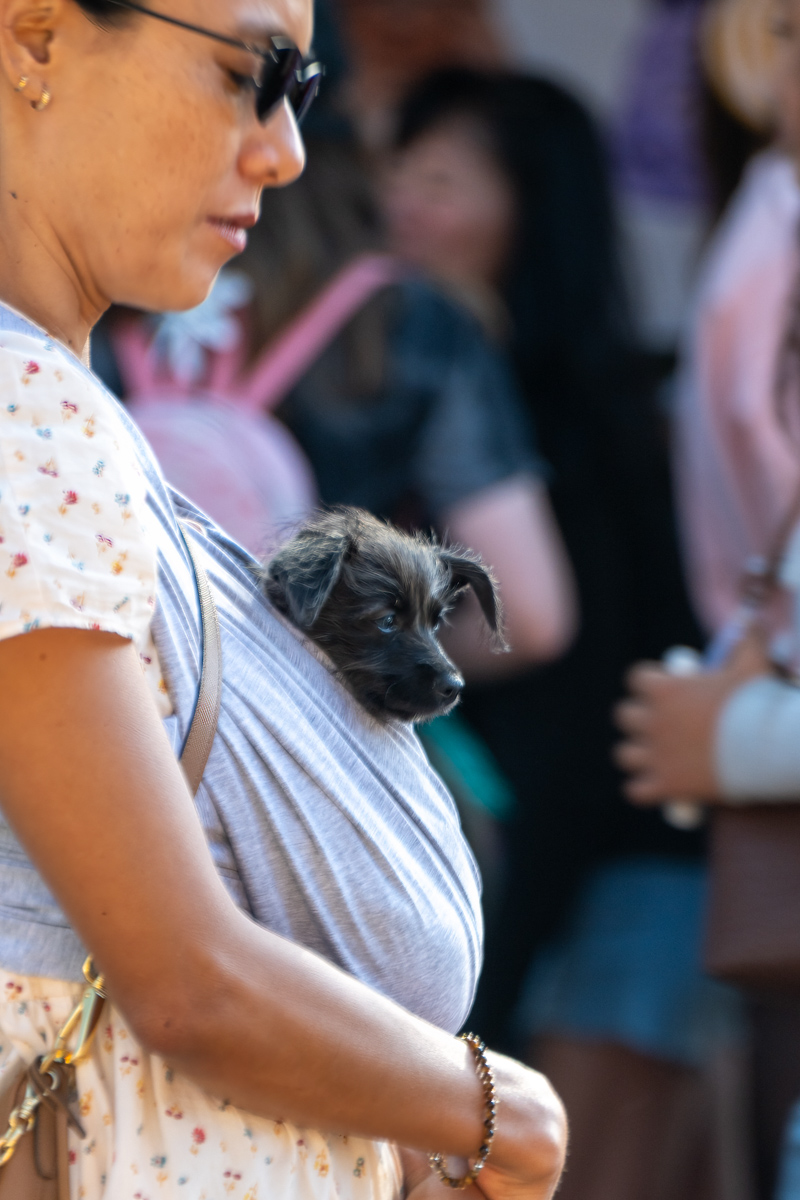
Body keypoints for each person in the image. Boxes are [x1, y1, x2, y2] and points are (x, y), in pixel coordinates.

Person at [0, 2, 568, 1199]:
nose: (285, 149)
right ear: (35, 36)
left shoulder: (58, 402)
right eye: (247, 72)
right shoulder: (23, 412)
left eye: (299, 90)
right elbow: (185, 981)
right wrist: (492, 1114)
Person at [384, 67, 730, 1200]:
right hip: (504, 870)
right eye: (397, 171)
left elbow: (570, 663)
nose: (398, 204)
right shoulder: (403, 391)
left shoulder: (612, 416)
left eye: (439, 178)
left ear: (534, 205)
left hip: (637, 855)